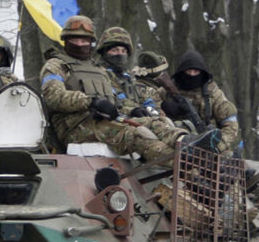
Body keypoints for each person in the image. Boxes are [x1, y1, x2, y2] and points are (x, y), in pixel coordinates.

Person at [40, 15, 175, 162]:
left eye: (84, 40)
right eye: (74, 40)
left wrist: (132, 111)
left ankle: (187, 145)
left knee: (155, 124)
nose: (79, 44)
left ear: (91, 43)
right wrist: (91, 102)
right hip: (75, 128)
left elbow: (115, 102)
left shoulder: (99, 70)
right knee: (136, 135)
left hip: (103, 123)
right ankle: (183, 168)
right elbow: (53, 97)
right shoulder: (56, 65)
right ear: (65, 41)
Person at [158, 50, 241, 154]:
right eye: (188, 71)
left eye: (196, 71)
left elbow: (231, 125)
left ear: (202, 72)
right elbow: (150, 109)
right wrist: (163, 109)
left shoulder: (213, 93)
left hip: (209, 145)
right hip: (173, 141)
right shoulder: (167, 90)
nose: (192, 74)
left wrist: (217, 146)